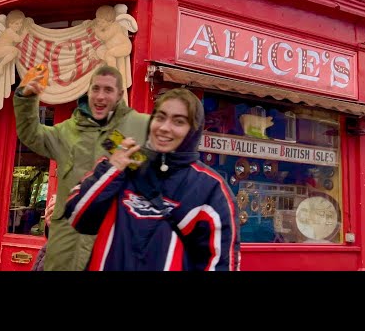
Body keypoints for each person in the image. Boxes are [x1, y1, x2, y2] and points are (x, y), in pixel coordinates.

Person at [64, 88, 241, 271]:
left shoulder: (210, 188)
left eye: (178, 121)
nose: (164, 128)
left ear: (193, 131)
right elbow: (77, 216)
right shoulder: (122, 167)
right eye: (160, 117)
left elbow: (220, 264)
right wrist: (113, 169)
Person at [14, 65, 149, 271]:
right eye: (96, 89)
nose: (100, 96)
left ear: (120, 95)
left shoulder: (127, 134)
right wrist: (27, 98)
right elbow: (31, 135)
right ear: (88, 91)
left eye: (108, 90)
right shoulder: (68, 131)